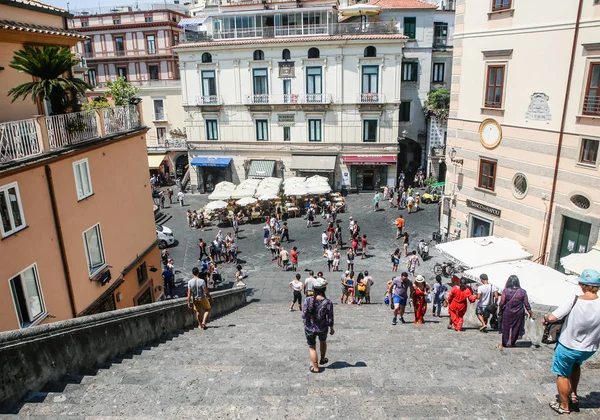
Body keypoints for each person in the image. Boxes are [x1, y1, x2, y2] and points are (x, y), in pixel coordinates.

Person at [543, 269, 600, 415]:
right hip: (589, 348)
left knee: (562, 374)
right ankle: (573, 394)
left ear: (582, 285)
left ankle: (564, 406)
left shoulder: (574, 300)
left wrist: (546, 317)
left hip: (568, 345)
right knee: (576, 364)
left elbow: (553, 318)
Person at [302, 278, 334, 373]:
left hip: (309, 328)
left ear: (314, 289)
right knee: (323, 341)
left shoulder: (308, 300)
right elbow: (330, 317)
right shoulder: (328, 302)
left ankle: (315, 367)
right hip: (323, 327)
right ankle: (323, 359)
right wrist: (331, 328)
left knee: (312, 347)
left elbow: (303, 315)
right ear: (324, 289)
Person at [498, 275, 535, 349]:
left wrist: (500, 310)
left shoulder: (506, 291)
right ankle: (512, 343)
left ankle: (504, 344)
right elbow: (527, 304)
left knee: (506, 328)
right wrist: (531, 313)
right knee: (516, 328)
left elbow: (502, 303)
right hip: (519, 312)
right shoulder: (523, 292)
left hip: (507, 312)